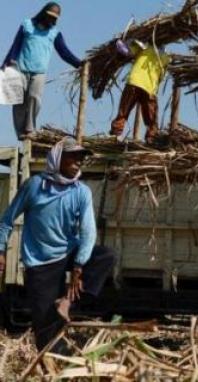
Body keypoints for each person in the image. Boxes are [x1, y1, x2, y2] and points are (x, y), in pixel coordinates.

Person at [0, 137, 116, 352]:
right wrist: (1, 250)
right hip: (39, 263)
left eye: (81, 158)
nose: (79, 162)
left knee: (105, 256)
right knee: (45, 327)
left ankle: (67, 303)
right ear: (57, 159)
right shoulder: (34, 186)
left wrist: (79, 265)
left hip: (69, 253)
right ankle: (54, 362)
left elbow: (88, 232)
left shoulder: (81, 191)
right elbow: (7, 221)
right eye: (73, 157)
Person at [2, 2, 82, 140]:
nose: (51, 20)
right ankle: (21, 132)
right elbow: (15, 46)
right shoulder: (27, 25)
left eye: (54, 18)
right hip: (20, 68)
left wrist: (79, 63)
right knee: (19, 102)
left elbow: (64, 52)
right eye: (49, 16)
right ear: (43, 13)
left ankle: (29, 128)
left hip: (39, 71)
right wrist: (6, 64)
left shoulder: (54, 33)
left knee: (34, 98)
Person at [110, 39, 170, 143]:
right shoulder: (165, 57)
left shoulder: (143, 47)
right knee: (151, 120)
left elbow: (125, 51)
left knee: (124, 111)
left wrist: (120, 42)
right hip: (150, 88)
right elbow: (161, 77)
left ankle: (116, 134)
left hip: (134, 82)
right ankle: (151, 138)